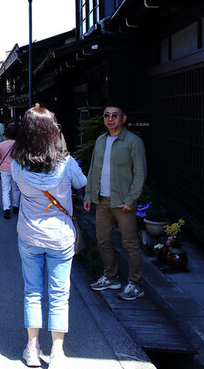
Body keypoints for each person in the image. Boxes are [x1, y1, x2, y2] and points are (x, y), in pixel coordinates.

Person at [11, 107, 87, 368]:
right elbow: (81, 183)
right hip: (60, 236)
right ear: (54, 132)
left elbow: (20, 190)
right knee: (59, 293)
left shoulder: (17, 165)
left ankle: (32, 348)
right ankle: (57, 352)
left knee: (32, 291)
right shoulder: (67, 164)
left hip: (29, 234)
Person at [83, 103, 147, 301]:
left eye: (115, 115)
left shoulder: (133, 141)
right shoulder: (101, 140)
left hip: (123, 201)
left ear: (123, 118)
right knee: (103, 240)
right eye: (107, 116)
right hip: (102, 199)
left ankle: (136, 283)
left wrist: (131, 199)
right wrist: (88, 194)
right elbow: (93, 169)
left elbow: (140, 173)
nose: (110, 119)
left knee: (130, 243)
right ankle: (111, 277)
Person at [0, 123, 19, 219]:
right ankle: (16, 206)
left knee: (6, 189)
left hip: (4, 169)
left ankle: (6, 209)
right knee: (16, 189)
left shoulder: (1, 145)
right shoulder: (18, 144)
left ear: (6, 135)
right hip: (16, 169)